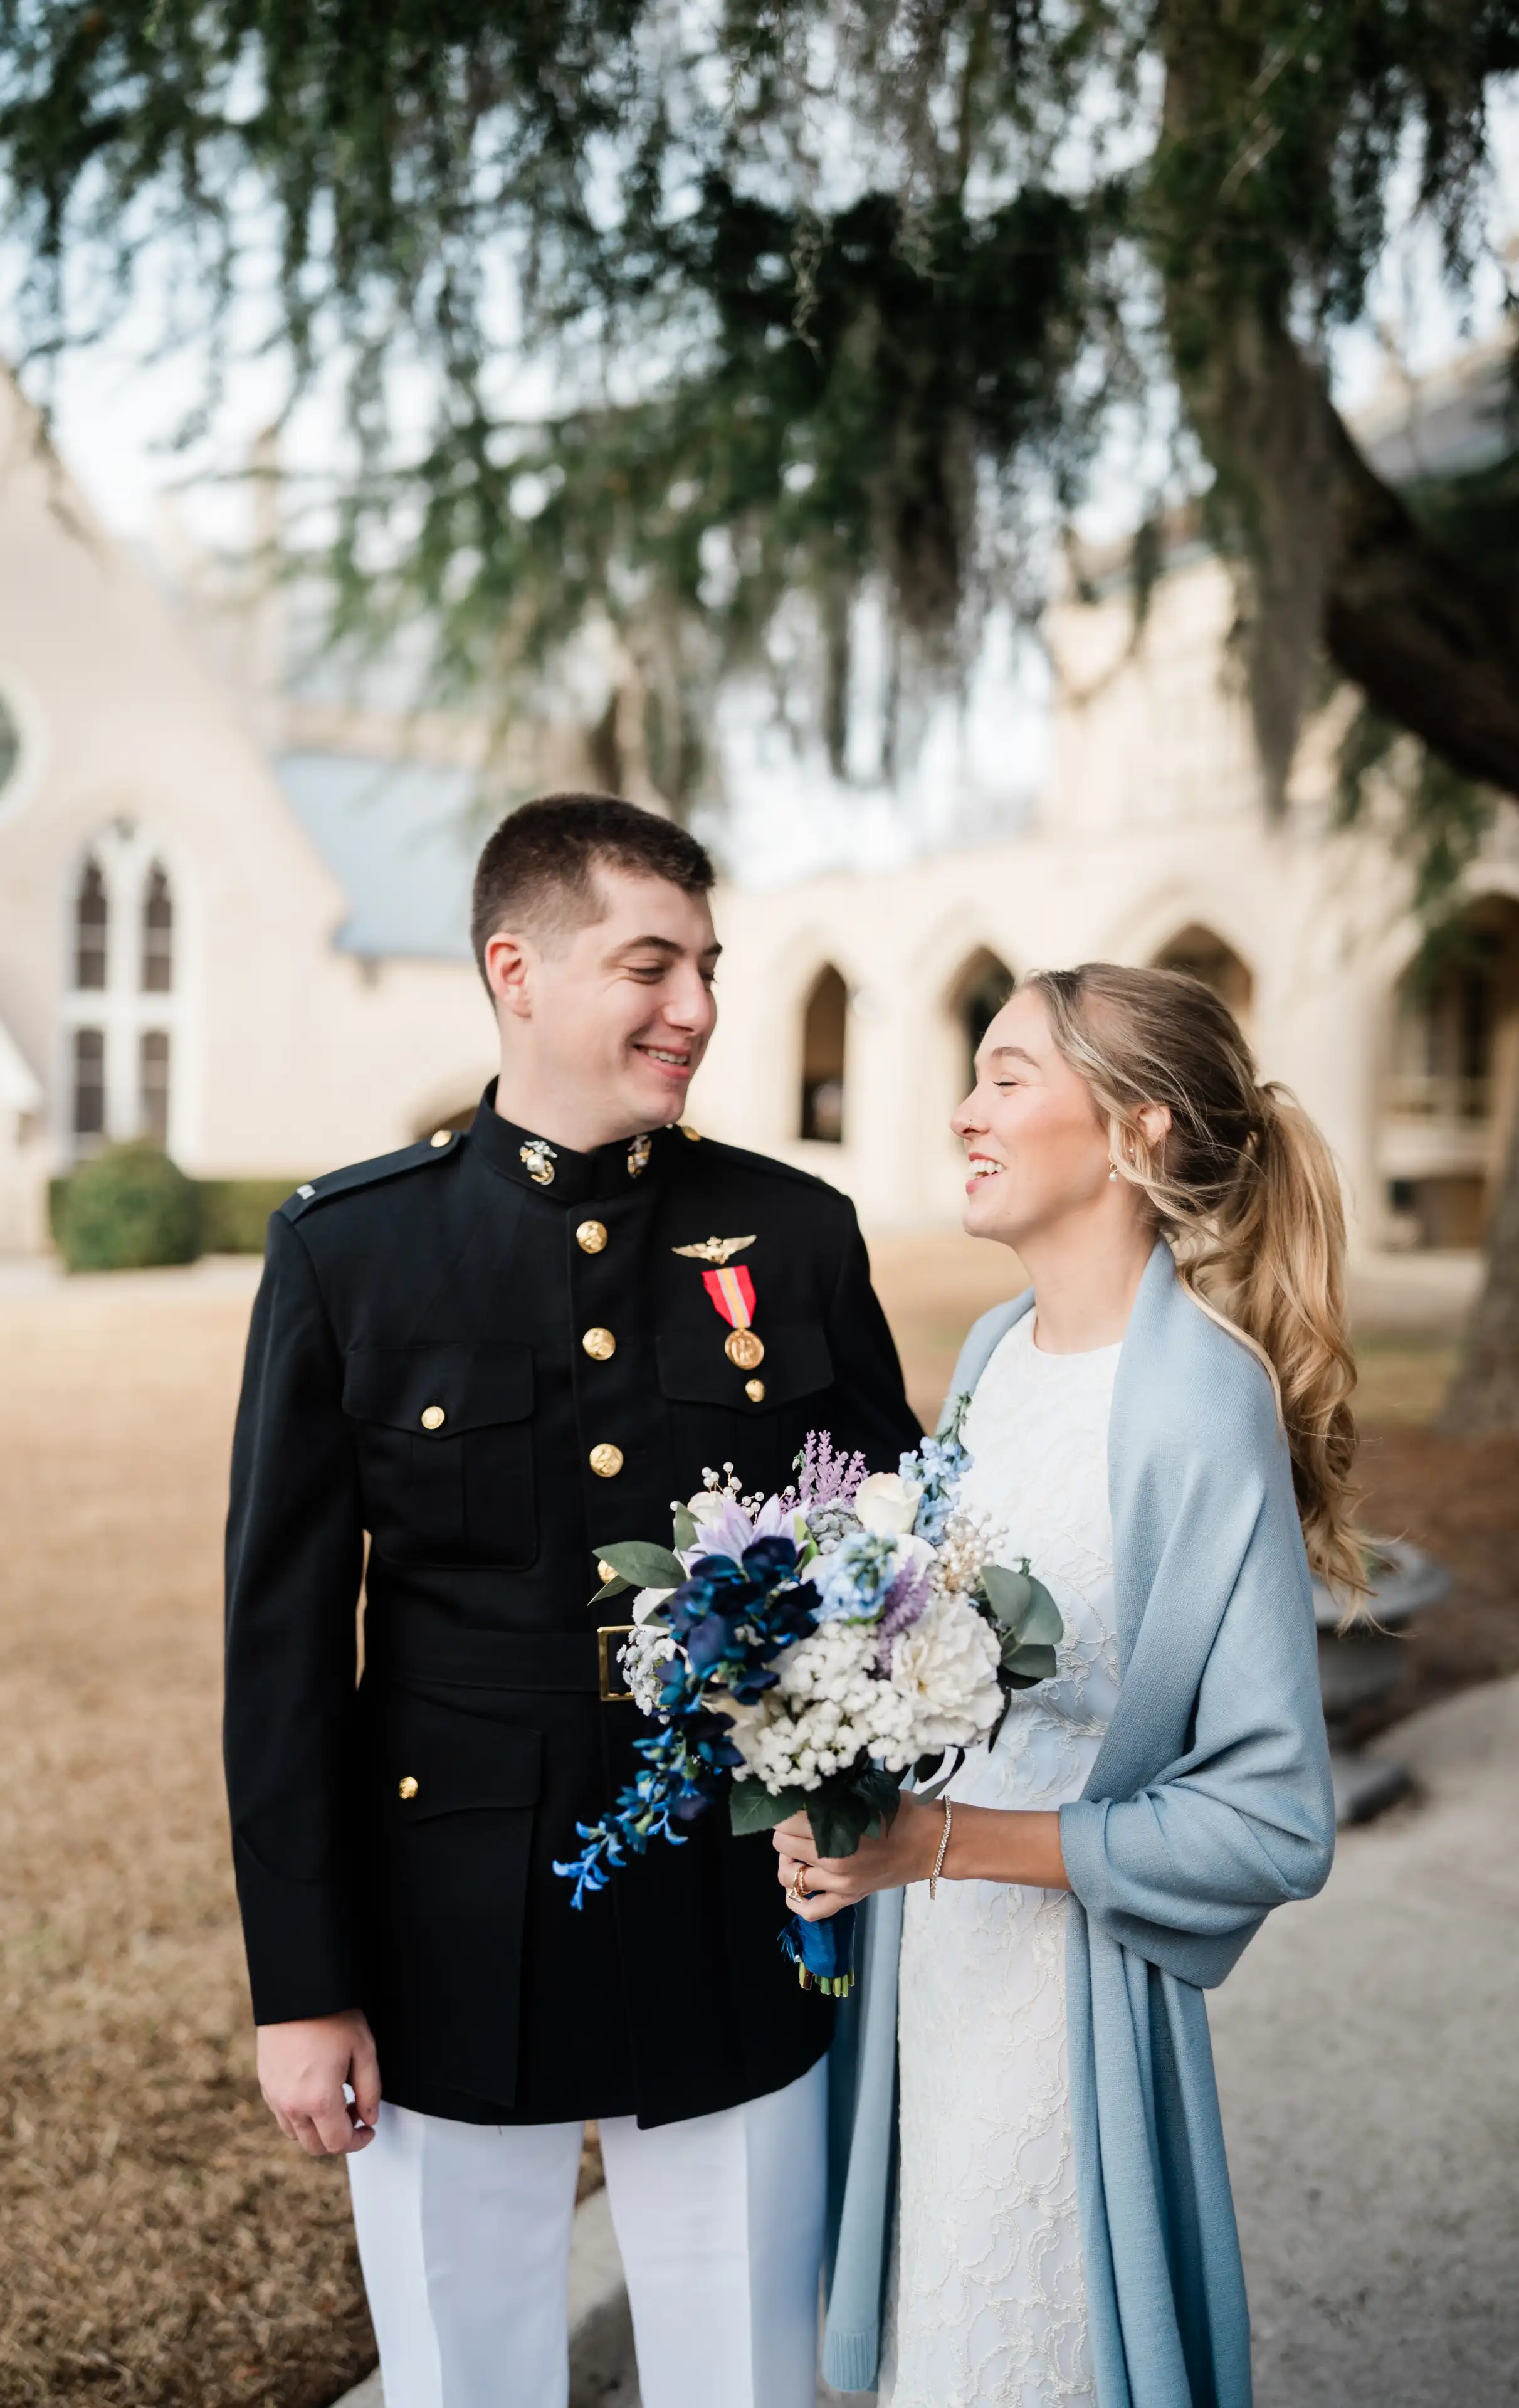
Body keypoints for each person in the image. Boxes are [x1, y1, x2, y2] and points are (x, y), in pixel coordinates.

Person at [223, 793, 922, 2408]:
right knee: (464, 2375)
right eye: (649, 965)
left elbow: (892, 1565)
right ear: (514, 969)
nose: (695, 1007)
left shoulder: (795, 1235)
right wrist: (303, 1985)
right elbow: (282, 1650)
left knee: (743, 2371)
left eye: (708, 967)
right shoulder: (351, 1251)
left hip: (733, 1903)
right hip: (450, 1916)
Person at [777, 963, 1354, 2407]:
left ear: (1133, 1127)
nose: (963, 1112)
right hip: (930, 1977)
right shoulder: (992, 1354)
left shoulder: (1198, 1402)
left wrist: (942, 1844)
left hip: (1059, 2012)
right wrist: (836, 1772)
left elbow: (1274, 1821)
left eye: (1006, 1075)